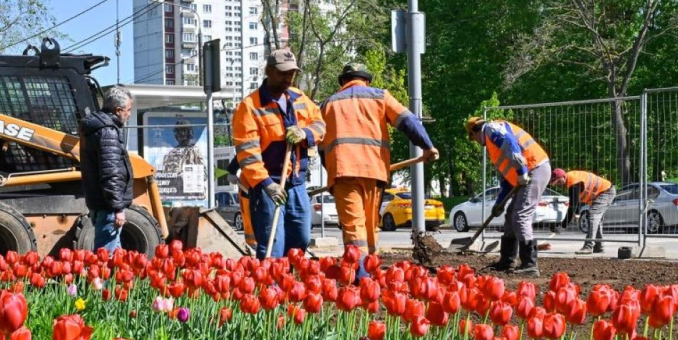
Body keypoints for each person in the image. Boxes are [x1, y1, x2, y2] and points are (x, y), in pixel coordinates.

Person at [320, 63, 439, 275]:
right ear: (366, 80)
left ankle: (361, 278)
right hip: (374, 171)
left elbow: (321, 148)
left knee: (353, 227)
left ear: (343, 82)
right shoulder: (380, 97)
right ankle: (370, 274)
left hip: (343, 172)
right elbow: (408, 121)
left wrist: (331, 172)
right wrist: (427, 146)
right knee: (370, 225)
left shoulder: (328, 104)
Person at [232, 48, 325, 259]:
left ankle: (289, 282)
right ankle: (270, 287)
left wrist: (305, 133)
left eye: (291, 73)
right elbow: (248, 155)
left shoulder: (299, 97)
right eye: (283, 73)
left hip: (297, 183)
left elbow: (320, 124)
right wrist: (267, 185)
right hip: (268, 187)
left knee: (300, 239)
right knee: (273, 243)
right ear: (269, 71)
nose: (288, 78)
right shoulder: (250, 107)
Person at [465, 116, 551, 275]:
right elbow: (506, 179)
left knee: (520, 215)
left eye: (473, 138)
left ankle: (530, 265)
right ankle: (507, 261)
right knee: (511, 215)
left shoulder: (492, 129)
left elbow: (511, 144)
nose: (475, 141)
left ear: (475, 132)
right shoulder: (492, 143)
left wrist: (522, 171)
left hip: (534, 168)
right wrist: (499, 203)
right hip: (528, 171)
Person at [79, 86, 134, 253]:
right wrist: (117, 208)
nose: (129, 114)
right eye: (128, 110)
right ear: (118, 110)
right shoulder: (107, 132)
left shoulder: (97, 128)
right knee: (106, 262)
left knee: (115, 262)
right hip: (108, 207)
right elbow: (111, 173)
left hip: (101, 204)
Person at [552, 168, 616, 254]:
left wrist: (563, 226)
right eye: (556, 183)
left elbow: (572, 207)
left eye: (558, 182)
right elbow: (576, 200)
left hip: (606, 191)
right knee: (596, 219)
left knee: (593, 216)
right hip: (603, 191)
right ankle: (599, 246)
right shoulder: (571, 180)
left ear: (563, 176)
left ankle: (589, 246)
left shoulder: (574, 183)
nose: (558, 184)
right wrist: (577, 213)